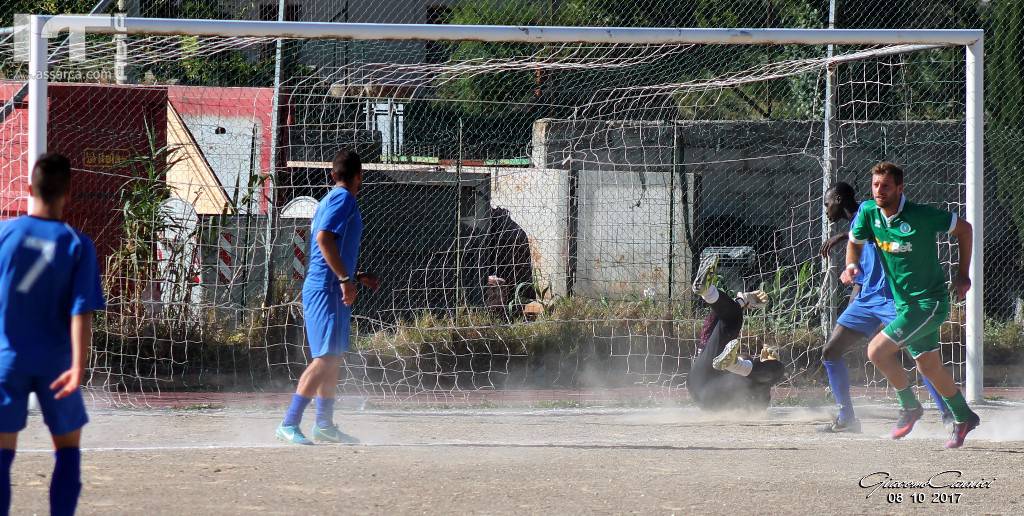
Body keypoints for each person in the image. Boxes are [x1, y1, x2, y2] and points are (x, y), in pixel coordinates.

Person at [0, 153, 106, 515]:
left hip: (7, 361)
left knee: (2, 456)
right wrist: (79, 367)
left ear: (29, 189)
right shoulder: (77, 244)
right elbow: (81, 312)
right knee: (67, 451)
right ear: (69, 194)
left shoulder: (5, 235)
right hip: (57, 364)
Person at [847, 162, 979, 448]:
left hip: (929, 303)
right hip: (906, 306)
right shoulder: (869, 212)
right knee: (928, 366)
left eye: (885, 185)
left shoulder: (921, 215)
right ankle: (963, 416)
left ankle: (909, 406)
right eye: (875, 185)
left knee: (876, 351)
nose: (879, 191)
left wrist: (962, 274)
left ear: (900, 188)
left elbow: (965, 229)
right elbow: (854, 241)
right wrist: (851, 264)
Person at [818, 181, 951, 433]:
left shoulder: (869, 210)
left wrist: (843, 235)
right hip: (867, 300)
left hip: (893, 299)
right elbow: (865, 261)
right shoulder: (862, 230)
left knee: (921, 355)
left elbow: (880, 227)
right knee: (830, 351)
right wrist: (855, 295)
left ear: (837, 199)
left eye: (826, 204)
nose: (825, 210)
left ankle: (948, 413)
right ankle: (847, 419)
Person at [276, 150, 379, 445]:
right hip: (327, 289)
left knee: (333, 359)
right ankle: (289, 422)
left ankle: (323, 424)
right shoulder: (343, 198)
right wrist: (346, 280)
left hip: (331, 286)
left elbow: (332, 246)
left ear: (333, 175)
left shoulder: (330, 199)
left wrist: (355, 276)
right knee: (324, 359)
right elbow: (323, 238)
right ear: (360, 176)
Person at [687, 254, 785, 410]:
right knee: (777, 368)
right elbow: (723, 317)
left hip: (701, 385)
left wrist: (763, 367)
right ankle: (707, 291)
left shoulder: (753, 381)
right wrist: (742, 300)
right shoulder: (734, 360)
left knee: (776, 368)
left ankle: (708, 292)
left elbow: (758, 407)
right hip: (707, 384)